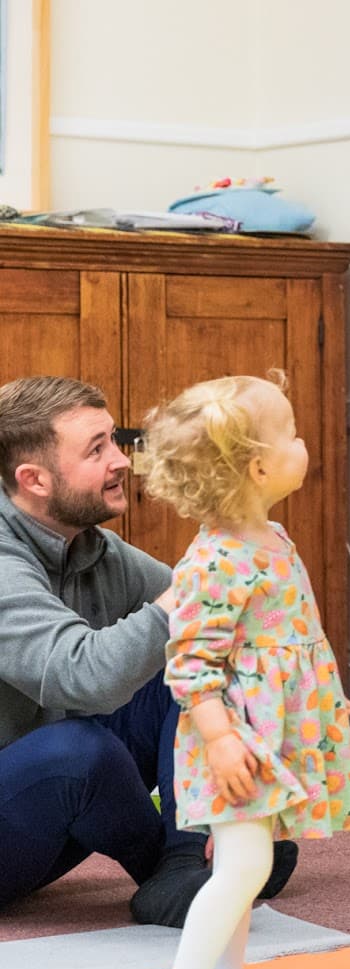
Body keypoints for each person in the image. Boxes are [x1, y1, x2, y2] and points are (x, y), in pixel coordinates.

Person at [0, 375, 295, 927]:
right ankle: (180, 863)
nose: (122, 461)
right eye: (97, 450)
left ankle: (186, 863)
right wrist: (197, 586)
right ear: (34, 479)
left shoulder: (90, 545)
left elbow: (220, 636)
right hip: (31, 796)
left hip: (48, 811)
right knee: (77, 750)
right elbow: (82, 675)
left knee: (187, 670)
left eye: (115, 439)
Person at [142, 372, 350, 969]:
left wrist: (322, 703)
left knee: (251, 861)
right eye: (294, 433)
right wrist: (219, 740)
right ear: (260, 465)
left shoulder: (272, 537)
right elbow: (190, 665)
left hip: (272, 734)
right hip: (236, 743)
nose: (305, 442)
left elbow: (289, 641)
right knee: (242, 863)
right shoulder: (215, 561)